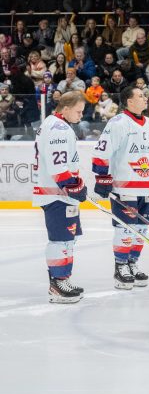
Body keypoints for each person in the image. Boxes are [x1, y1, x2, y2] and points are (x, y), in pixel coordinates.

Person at [92, 85, 149, 290]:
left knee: (141, 228)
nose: (145, 99)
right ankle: (120, 265)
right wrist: (103, 177)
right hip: (125, 187)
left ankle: (133, 262)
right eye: (140, 96)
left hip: (146, 188)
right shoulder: (117, 123)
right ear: (129, 101)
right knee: (125, 228)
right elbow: (101, 152)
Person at [33, 91, 89, 304]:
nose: (81, 116)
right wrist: (73, 185)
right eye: (78, 111)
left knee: (68, 239)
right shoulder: (58, 128)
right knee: (60, 240)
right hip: (57, 195)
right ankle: (57, 283)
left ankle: (63, 278)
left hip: (62, 195)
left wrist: (74, 185)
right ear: (65, 108)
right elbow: (58, 166)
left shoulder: (53, 124)